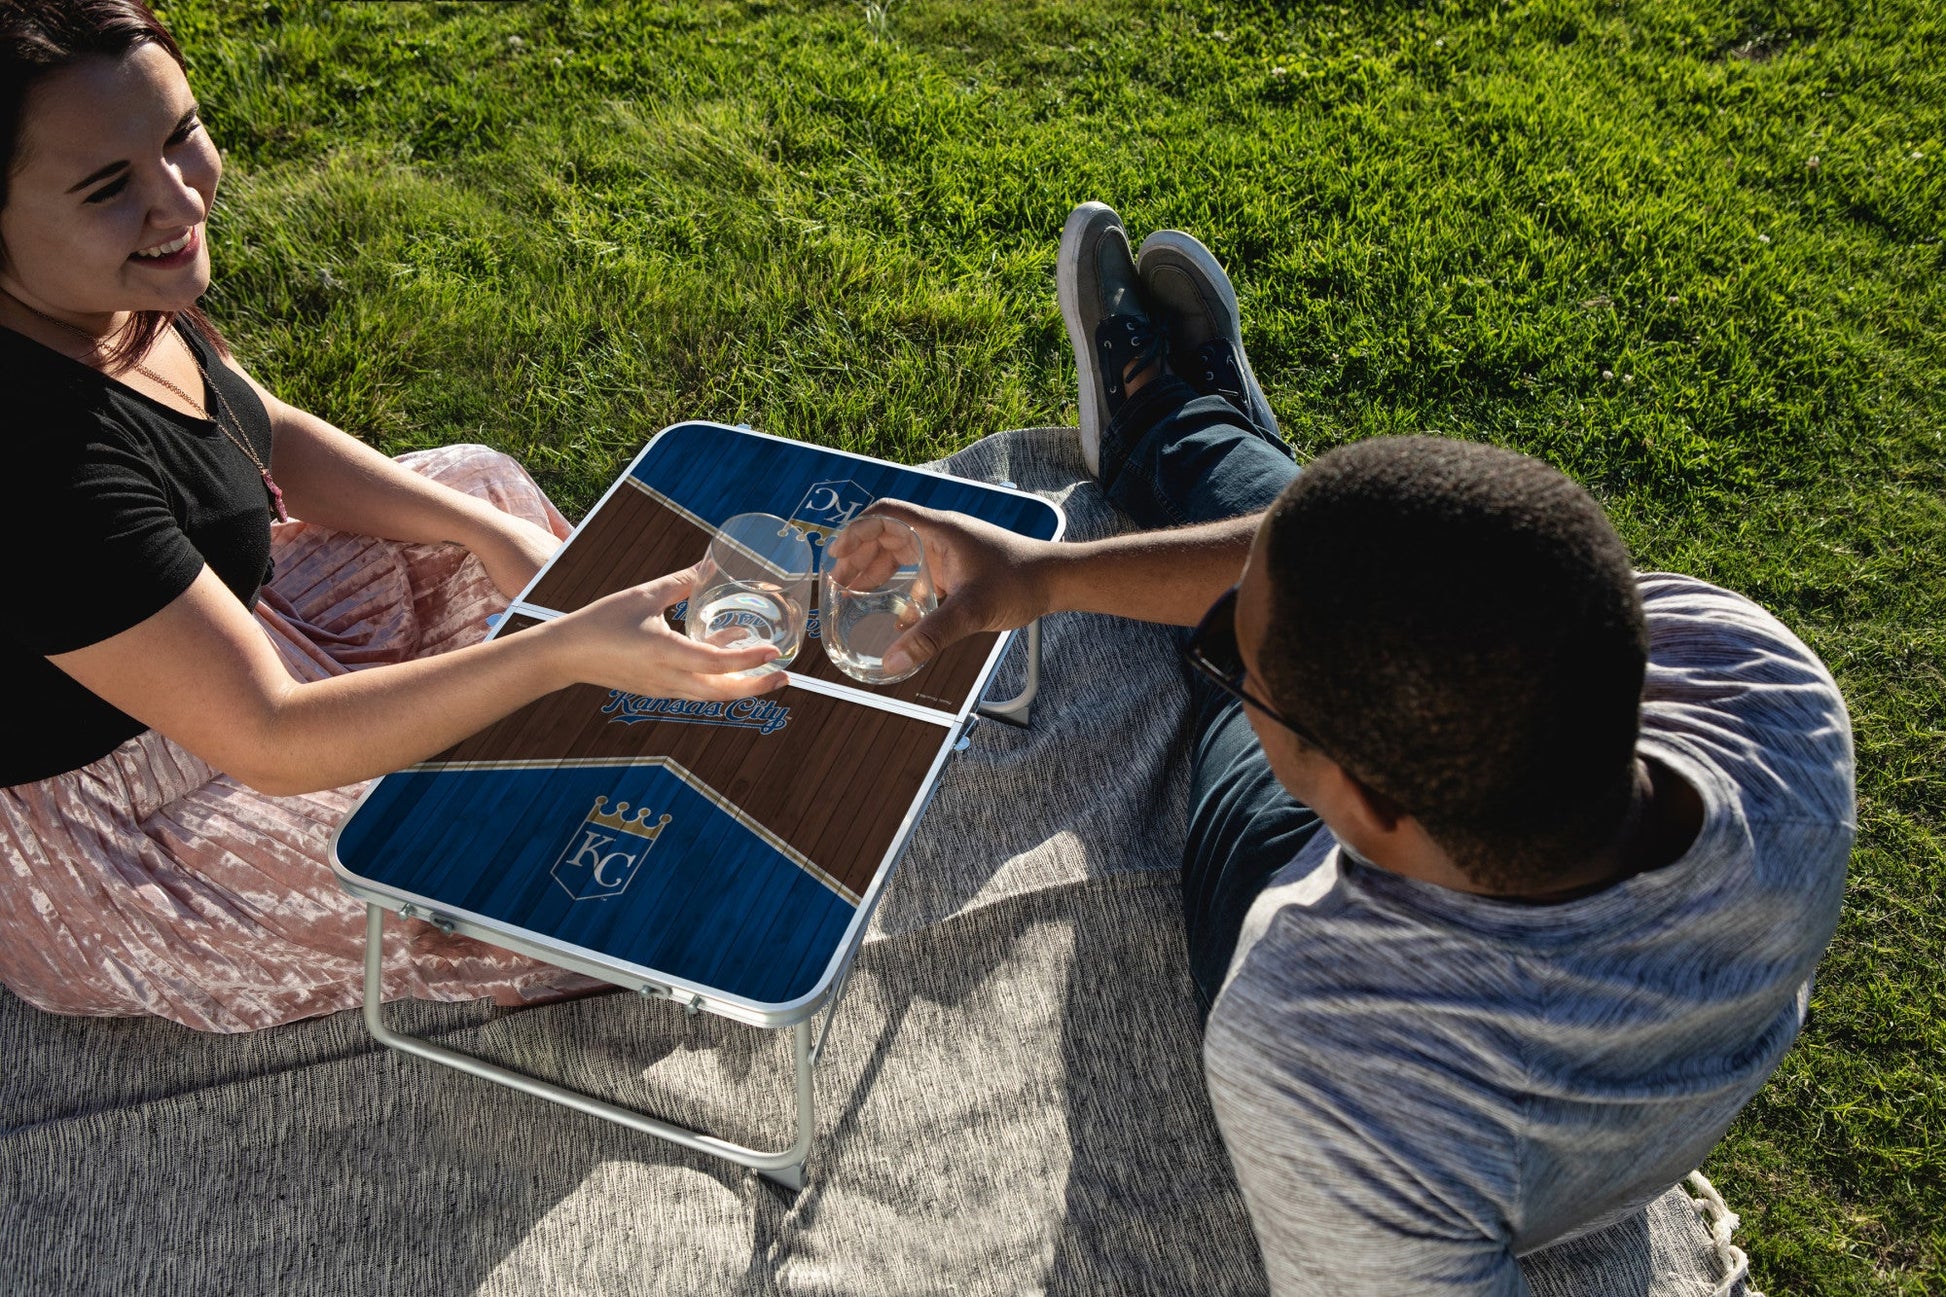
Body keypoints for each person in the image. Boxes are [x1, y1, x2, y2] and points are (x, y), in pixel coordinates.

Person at [864, 201, 1854, 1293]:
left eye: (1237, 666)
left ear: (1361, 805)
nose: (1219, 657)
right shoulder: (1763, 684)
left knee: (1266, 648)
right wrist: (1041, 576)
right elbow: (1430, 577)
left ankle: (1183, 434)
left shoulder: (1324, 1044)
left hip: (1318, 916)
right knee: (1338, 562)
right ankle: (1196, 436)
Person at [0, 0, 783, 1032]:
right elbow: (270, 735)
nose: (181, 196)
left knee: (477, 488)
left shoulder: (98, 296)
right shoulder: (35, 461)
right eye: (109, 186)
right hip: (137, 826)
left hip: (230, 640)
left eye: (181, 133)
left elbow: (262, 431)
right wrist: (556, 654)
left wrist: (490, 534)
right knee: (588, 872)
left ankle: (615, 710)